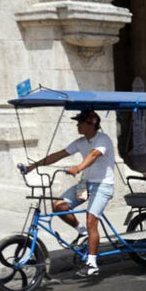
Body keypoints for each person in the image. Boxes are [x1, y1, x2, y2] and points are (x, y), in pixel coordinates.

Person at [19, 109, 116, 278]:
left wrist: (78, 168)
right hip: (85, 185)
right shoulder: (80, 142)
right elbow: (58, 155)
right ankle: (82, 232)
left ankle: (92, 264)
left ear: (91, 123)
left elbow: (93, 155)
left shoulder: (103, 139)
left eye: (80, 122)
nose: (77, 125)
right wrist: (32, 166)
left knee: (91, 220)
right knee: (59, 205)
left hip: (102, 186)